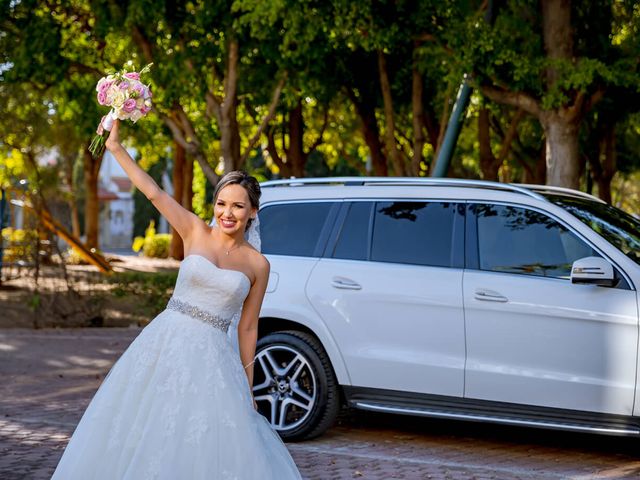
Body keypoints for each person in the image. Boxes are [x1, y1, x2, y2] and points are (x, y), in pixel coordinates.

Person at [51, 120, 303, 479]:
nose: (227, 213)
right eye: (221, 203)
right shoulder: (194, 230)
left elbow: (248, 328)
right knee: (147, 425)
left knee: (203, 439)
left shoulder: (258, 264)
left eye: (237, 206)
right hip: (164, 343)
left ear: (252, 212)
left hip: (214, 359)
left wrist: (248, 388)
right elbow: (154, 193)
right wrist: (116, 147)